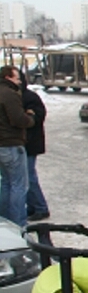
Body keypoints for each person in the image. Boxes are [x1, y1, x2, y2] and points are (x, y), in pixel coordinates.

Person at [0, 66, 35, 227]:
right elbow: (17, 119)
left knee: (6, 183)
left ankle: (6, 222)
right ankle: (18, 225)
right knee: (19, 185)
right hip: (11, 144)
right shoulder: (8, 94)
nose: (19, 82)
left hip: (2, 146)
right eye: (17, 78)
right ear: (8, 77)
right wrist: (29, 117)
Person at [20, 72, 50, 221]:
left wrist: (28, 117)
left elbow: (39, 116)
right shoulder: (20, 96)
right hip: (26, 143)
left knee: (29, 176)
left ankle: (40, 208)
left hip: (30, 144)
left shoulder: (29, 97)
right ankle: (33, 206)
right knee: (26, 176)